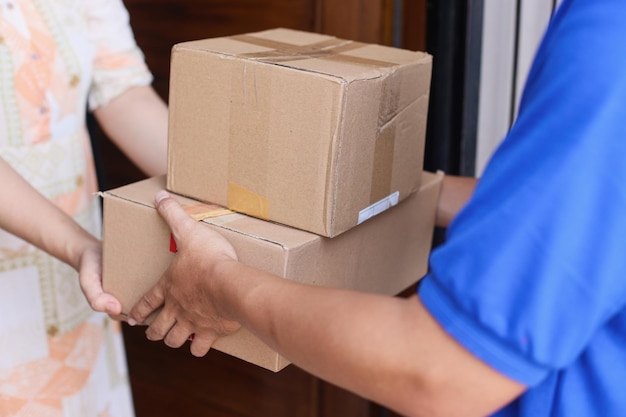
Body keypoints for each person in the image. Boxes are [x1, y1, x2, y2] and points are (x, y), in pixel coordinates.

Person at [128, 0, 626, 416]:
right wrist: (370, 191)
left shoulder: (609, 37)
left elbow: (441, 371)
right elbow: (579, 214)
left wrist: (217, 284)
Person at [0, 0, 168, 415]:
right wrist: (80, 248)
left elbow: (123, 92)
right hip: (72, 254)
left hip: (78, 287)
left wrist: (231, 196)